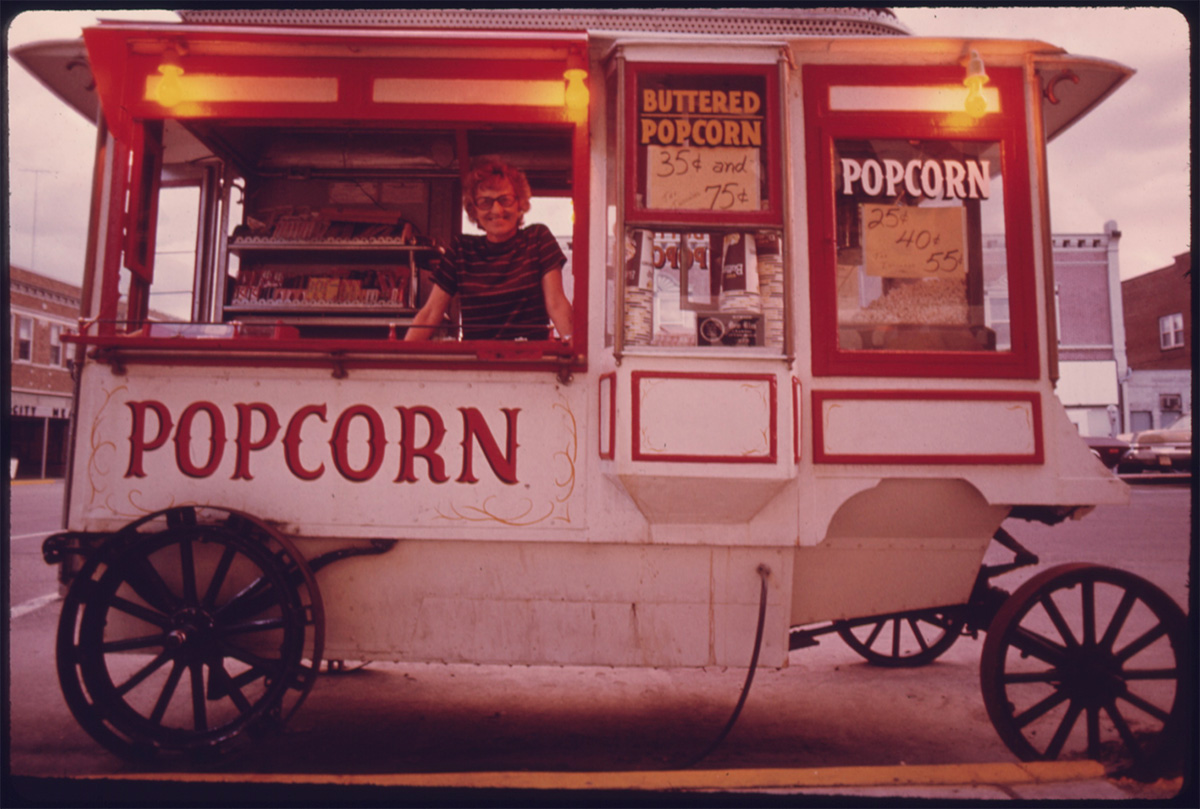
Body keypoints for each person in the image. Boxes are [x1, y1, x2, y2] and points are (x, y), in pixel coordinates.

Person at [405, 156, 573, 342]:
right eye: (485, 202)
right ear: (474, 209)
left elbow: (556, 304)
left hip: (532, 363)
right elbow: (430, 313)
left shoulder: (538, 238)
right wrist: (400, 362)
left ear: (520, 204)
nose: (497, 210)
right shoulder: (461, 250)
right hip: (478, 366)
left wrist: (576, 351)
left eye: (505, 200)